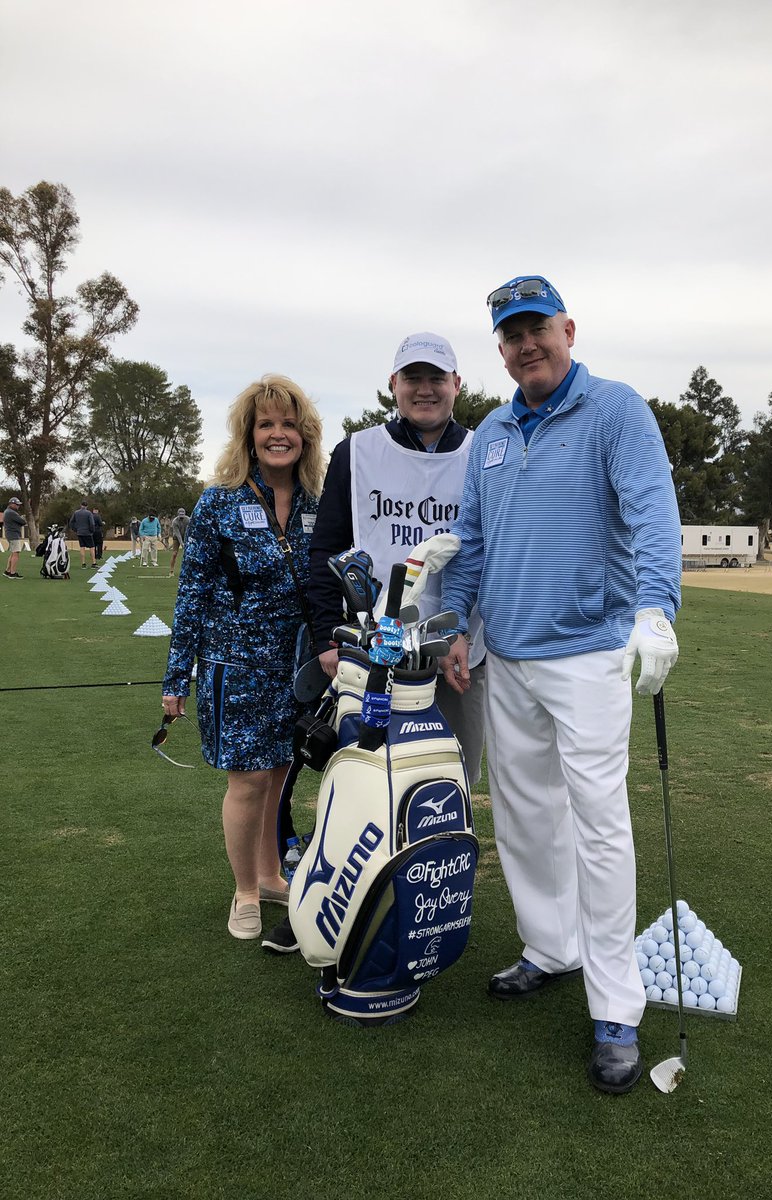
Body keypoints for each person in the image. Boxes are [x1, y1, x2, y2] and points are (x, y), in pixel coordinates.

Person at [440, 275, 682, 1095]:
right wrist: (454, 626)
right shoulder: (493, 430)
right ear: (500, 349)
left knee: (600, 826)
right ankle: (550, 947)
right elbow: (471, 541)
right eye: (510, 335)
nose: (524, 344)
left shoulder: (615, 410)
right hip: (506, 657)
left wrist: (657, 610)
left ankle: (617, 1006)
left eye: (536, 328)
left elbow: (651, 513)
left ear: (568, 329)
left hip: (587, 655)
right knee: (526, 815)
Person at [261, 333, 487, 956]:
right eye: (411, 378)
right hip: (371, 655)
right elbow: (325, 550)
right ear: (393, 386)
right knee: (353, 781)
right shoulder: (355, 452)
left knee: (449, 783)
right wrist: (326, 640)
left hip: (459, 650)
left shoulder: (485, 451)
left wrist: (464, 630)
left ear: (456, 385)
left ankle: (423, 904)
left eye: (436, 377)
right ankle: (322, 898)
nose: (425, 389)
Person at [162, 375, 324, 940]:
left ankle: (272, 873)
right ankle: (245, 892)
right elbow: (191, 595)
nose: (278, 434)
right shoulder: (219, 503)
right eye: (266, 424)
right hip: (236, 665)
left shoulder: (317, 502)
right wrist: (175, 676)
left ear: (304, 435)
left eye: (288, 424)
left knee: (280, 775)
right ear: (248, 435)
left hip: (297, 667)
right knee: (249, 780)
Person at [69, 501, 98, 569]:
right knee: (92, 547)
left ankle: (83, 563)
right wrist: (92, 531)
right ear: (87, 506)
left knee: (82, 547)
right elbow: (92, 523)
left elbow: (71, 522)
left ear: (80, 505)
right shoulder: (89, 513)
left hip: (80, 532)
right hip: (88, 533)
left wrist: (75, 529)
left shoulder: (76, 513)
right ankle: (93, 563)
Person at [3, 496, 27, 579]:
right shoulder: (11, 513)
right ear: (12, 504)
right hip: (13, 535)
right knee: (16, 554)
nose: (18, 506)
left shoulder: (7, 512)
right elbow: (23, 522)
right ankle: (12, 573)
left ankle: (7, 571)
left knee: (13, 553)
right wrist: (22, 517)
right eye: (16, 504)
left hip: (10, 534)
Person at [168, 507, 191, 577]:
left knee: (188, 554)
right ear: (178, 514)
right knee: (174, 553)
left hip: (186, 536)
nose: (181, 517)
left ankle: (188, 571)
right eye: (180, 515)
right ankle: (171, 571)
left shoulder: (188, 520)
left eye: (182, 515)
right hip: (176, 537)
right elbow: (177, 534)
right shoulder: (175, 521)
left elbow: (189, 530)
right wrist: (182, 543)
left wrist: (186, 541)